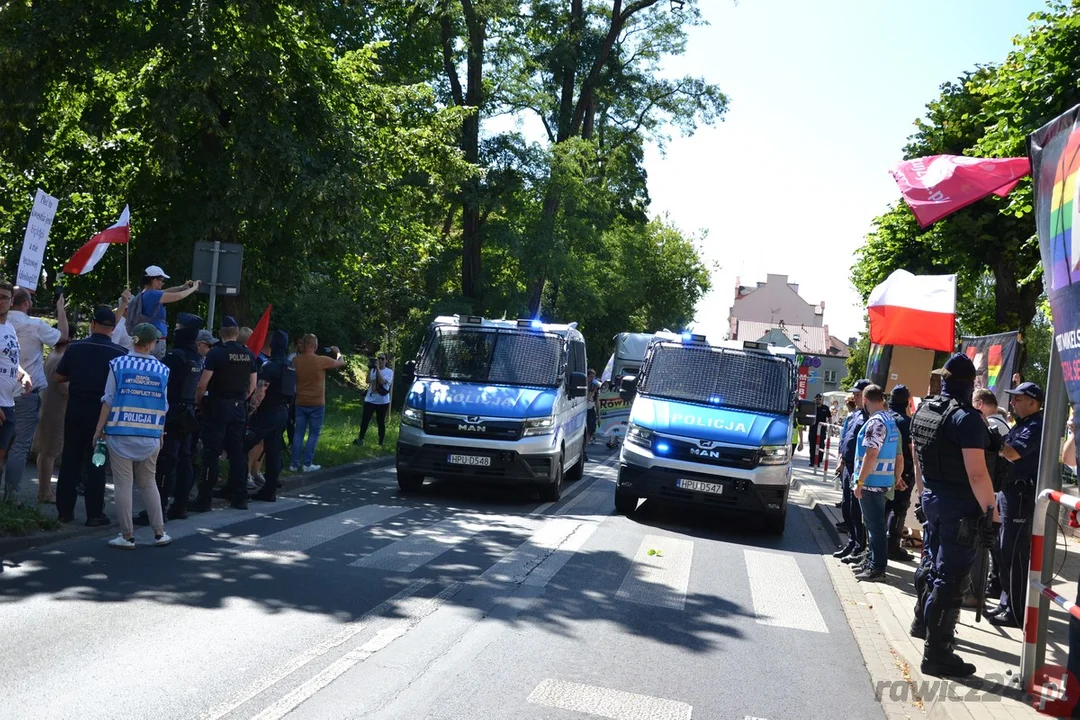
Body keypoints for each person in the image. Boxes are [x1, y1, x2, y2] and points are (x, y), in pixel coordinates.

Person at [909, 354, 996, 677]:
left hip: (932, 498)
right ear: (971, 383)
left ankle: (921, 623)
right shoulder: (966, 419)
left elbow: (917, 460)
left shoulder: (925, 411)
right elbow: (977, 475)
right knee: (951, 580)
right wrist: (993, 514)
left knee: (931, 566)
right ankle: (938, 653)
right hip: (959, 506)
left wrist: (922, 495)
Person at [94, 323, 173, 548]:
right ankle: (159, 532)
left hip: (120, 432)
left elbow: (108, 399)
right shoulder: (162, 370)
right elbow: (163, 405)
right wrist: (161, 432)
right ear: (150, 343)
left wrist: (99, 429)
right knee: (149, 482)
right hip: (150, 434)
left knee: (123, 485)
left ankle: (127, 536)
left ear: (134, 340)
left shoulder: (118, 364)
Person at [54, 306, 127, 524]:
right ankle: (95, 513)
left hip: (76, 409)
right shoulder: (120, 354)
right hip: (102, 413)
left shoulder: (76, 348)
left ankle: (64, 512)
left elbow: (58, 377)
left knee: (70, 460)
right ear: (113, 329)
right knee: (97, 461)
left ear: (93, 324)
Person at [987, 381, 1044, 628]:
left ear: (1033, 402)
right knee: (1002, 551)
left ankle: (1016, 611)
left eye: (1018, 399)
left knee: (1015, 555)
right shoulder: (1022, 424)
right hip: (1008, 493)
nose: (1012, 403)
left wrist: (992, 441)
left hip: (1021, 496)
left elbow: (1012, 453)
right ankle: (1005, 602)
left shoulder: (1036, 426)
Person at [5, 286, 66, 504]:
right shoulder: (35, 325)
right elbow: (63, 337)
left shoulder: (4, 324)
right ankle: (11, 498)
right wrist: (60, 308)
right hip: (26, 391)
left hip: (3, 390)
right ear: (27, 303)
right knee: (20, 445)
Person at [192, 316, 257, 511]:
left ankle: (204, 499)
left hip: (217, 407)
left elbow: (203, 383)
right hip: (238, 408)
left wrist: (198, 402)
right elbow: (253, 384)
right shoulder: (248, 355)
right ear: (237, 334)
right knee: (237, 453)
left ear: (221, 334)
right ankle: (240, 497)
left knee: (211, 453)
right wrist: (242, 399)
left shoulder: (216, 354)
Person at [852, 384, 905, 581]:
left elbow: (871, 454)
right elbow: (899, 456)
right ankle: (873, 562)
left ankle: (877, 568)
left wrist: (859, 481)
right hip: (883, 482)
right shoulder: (890, 421)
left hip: (870, 483)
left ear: (865, 400)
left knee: (875, 528)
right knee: (876, 526)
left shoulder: (876, 423)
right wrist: (896, 479)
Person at [154, 315, 204, 520]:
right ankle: (180, 505)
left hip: (173, 412)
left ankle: (159, 507)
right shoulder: (197, 357)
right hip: (188, 412)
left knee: (168, 459)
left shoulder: (174, 357)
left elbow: (160, 384)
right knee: (185, 459)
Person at [245, 331, 295, 502]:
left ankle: (237, 488)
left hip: (266, 413)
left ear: (272, 346)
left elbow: (260, 392)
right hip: (282, 412)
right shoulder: (290, 366)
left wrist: (251, 410)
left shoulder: (269, 366)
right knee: (273, 451)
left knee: (243, 445)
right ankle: (270, 490)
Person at [292, 336, 344, 471]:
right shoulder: (321, 360)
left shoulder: (295, 361)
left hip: (300, 401)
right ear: (314, 346)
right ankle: (307, 463)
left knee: (298, 433)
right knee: (313, 433)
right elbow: (340, 363)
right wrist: (338, 352)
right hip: (317, 402)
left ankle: (294, 463)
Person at [125, 266, 201, 358]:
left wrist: (182, 287)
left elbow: (165, 292)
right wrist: (194, 288)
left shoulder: (146, 294)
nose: (163, 283)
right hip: (155, 343)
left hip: (149, 340)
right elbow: (179, 296)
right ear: (154, 281)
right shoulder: (153, 295)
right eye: (162, 280)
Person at [834, 379, 871, 563]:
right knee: (847, 508)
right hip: (847, 466)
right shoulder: (856, 414)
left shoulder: (870, 417)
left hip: (857, 469)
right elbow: (846, 438)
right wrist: (841, 460)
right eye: (855, 394)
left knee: (856, 511)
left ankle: (859, 546)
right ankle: (852, 542)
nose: (855, 397)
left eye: (858, 394)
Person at [33, 341, 68, 504]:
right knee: (50, 452)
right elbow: (63, 388)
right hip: (57, 409)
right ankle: (45, 491)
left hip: (46, 405)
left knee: (44, 451)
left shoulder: (52, 356)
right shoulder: (62, 359)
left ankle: (44, 489)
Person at [885, 385, 916, 561]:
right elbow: (912, 450)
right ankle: (892, 546)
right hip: (902, 472)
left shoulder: (884, 417)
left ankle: (877, 544)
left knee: (883, 507)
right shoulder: (906, 422)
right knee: (899, 508)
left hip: (881, 471)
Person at [355, 351, 392, 449]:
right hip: (370, 399)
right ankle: (360, 439)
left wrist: (378, 369)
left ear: (386, 361)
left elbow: (382, 381)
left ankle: (380, 441)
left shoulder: (389, 372)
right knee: (365, 419)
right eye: (378, 358)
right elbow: (367, 380)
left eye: (382, 359)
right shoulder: (374, 369)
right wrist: (370, 369)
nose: (380, 360)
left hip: (382, 401)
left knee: (380, 421)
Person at [808, 393, 832, 467]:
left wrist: (830, 427)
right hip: (813, 429)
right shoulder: (812, 407)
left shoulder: (825, 408)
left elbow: (829, 417)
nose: (819, 401)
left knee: (821, 446)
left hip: (822, 430)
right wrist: (812, 403)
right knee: (812, 446)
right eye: (817, 399)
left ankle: (818, 461)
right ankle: (812, 461)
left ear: (822, 400)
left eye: (820, 399)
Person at [586, 369, 601, 444]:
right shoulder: (584, 386)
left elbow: (597, 401)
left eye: (593, 377)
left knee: (591, 429)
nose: (591, 379)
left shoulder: (595, 386)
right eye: (590, 377)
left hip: (591, 410)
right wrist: (591, 392)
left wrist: (598, 416)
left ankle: (585, 445)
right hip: (584, 410)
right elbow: (586, 400)